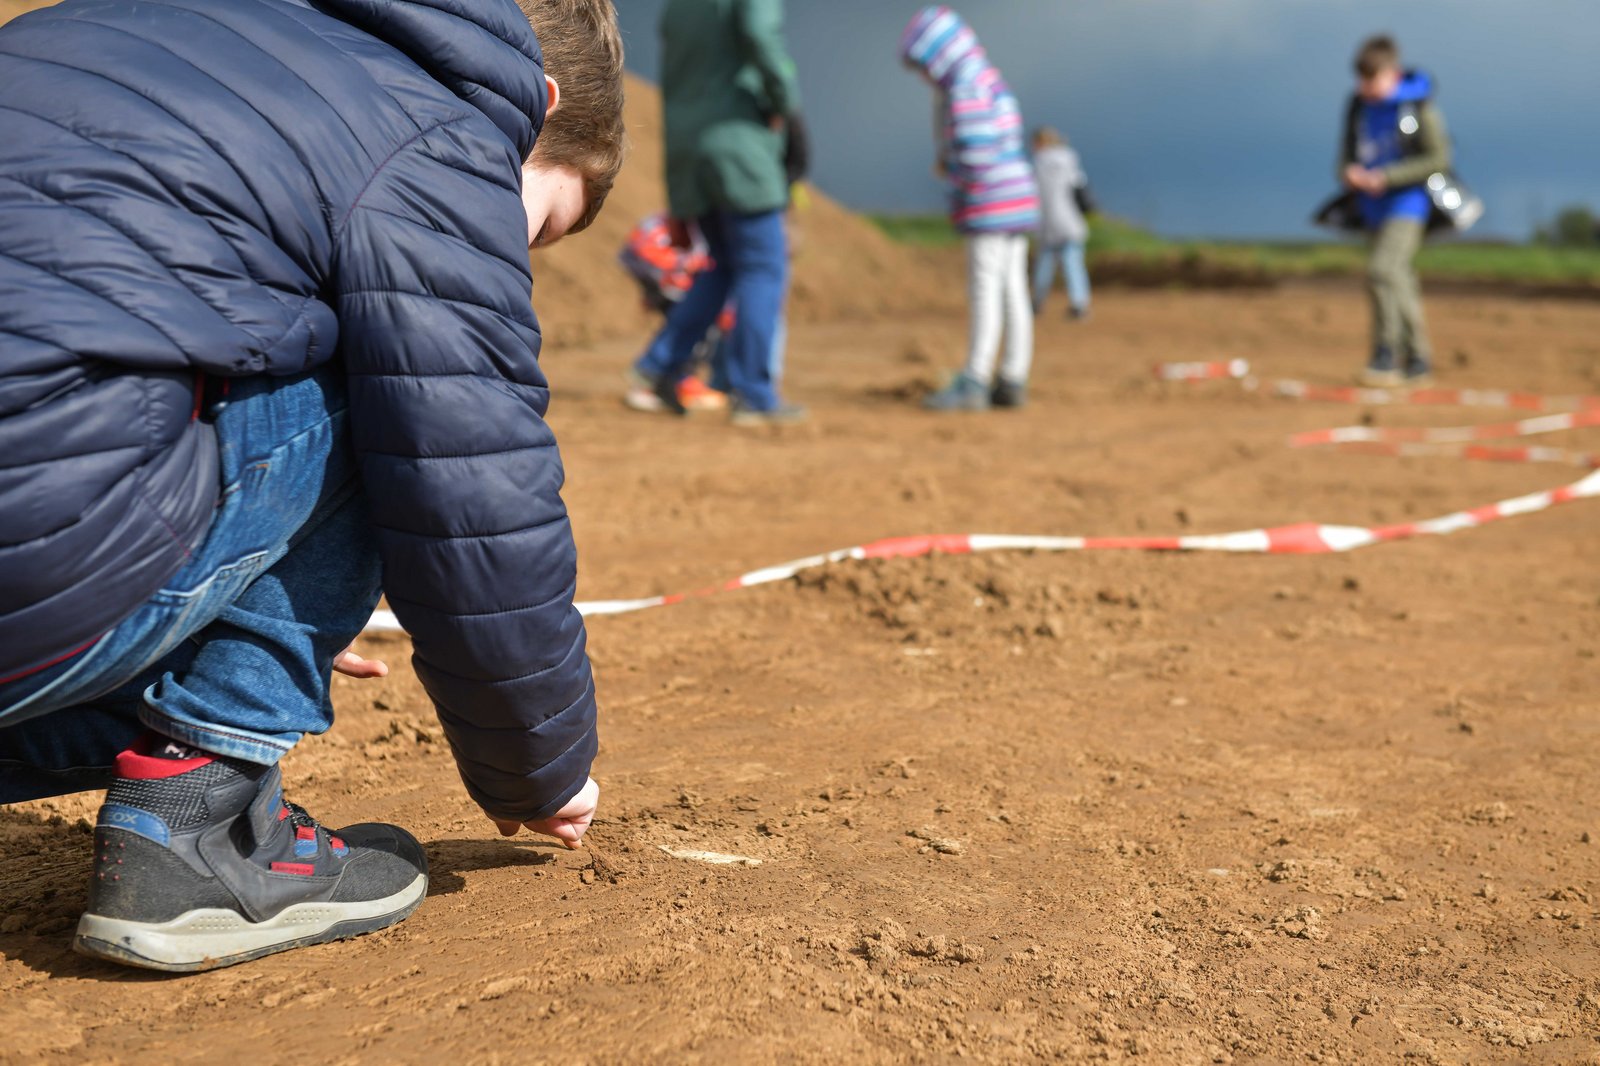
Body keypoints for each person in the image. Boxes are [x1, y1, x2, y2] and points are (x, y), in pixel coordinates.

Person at [0, 0, 624, 971]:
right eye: (533, 224)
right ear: (537, 107)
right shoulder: (434, 125)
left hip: (42, 532)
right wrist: (537, 766)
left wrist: (236, 585)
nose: (515, 263)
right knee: (397, 380)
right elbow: (465, 467)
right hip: (28, 572)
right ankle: (199, 824)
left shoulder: (163, 33)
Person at [634, 0, 806, 427]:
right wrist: (785, 103)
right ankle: (753, 394)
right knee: (764, 266)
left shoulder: (676, 8)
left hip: (690, 150)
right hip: (738, 146)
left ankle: (660, 366)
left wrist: (676, 180)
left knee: (721, 266)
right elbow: (760, 34)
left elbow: (674, 82)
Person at [901, 6, 1041, 412]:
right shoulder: (989, 78)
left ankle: (975, 380)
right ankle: (1013, 376)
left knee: (984, 289)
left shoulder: (964, 87)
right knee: (1013, 288)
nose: (925, 77)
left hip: (990, 203)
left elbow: (977, 154)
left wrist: (955, 177)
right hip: (1017, 198)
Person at [1338, 35, 1453, 387]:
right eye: (1361, 79)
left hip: (1409, 203)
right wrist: (1349, 173)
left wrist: (1386, 177)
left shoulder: (1419, 107)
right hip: (1371, 208)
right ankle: (1415, 359)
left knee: (1382, 269)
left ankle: (1388, 355)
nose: (1364, 86)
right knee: (1396, 278)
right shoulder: (1358, 106)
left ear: (1393, 73)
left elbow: (1440, 159)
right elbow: (1346, 154)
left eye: (1372, 79)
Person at [1031, 127, 1093, 320]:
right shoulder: (1069, 160)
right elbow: (1080, 188)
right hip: (1070, 221)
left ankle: (1037, 303)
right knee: (1072, 263)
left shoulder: (1036, 164)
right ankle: (1079, 304)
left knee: (1044, 264)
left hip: (1046, 223)